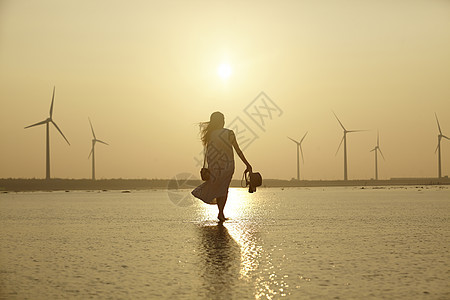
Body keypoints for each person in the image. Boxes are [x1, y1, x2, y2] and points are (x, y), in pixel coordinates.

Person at [192, 111, 252, 222]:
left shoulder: (210, 135)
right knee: (223, 189)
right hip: (228, 166)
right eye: (223, 119)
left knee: (220, 189)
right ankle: (220, 213)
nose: (224, 121)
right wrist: (247, 164)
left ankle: (220, 213)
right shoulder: (229, 133)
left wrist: (207, 167)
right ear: (220, 121)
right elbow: (238, 150)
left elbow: (208, 153)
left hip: (214, 167)